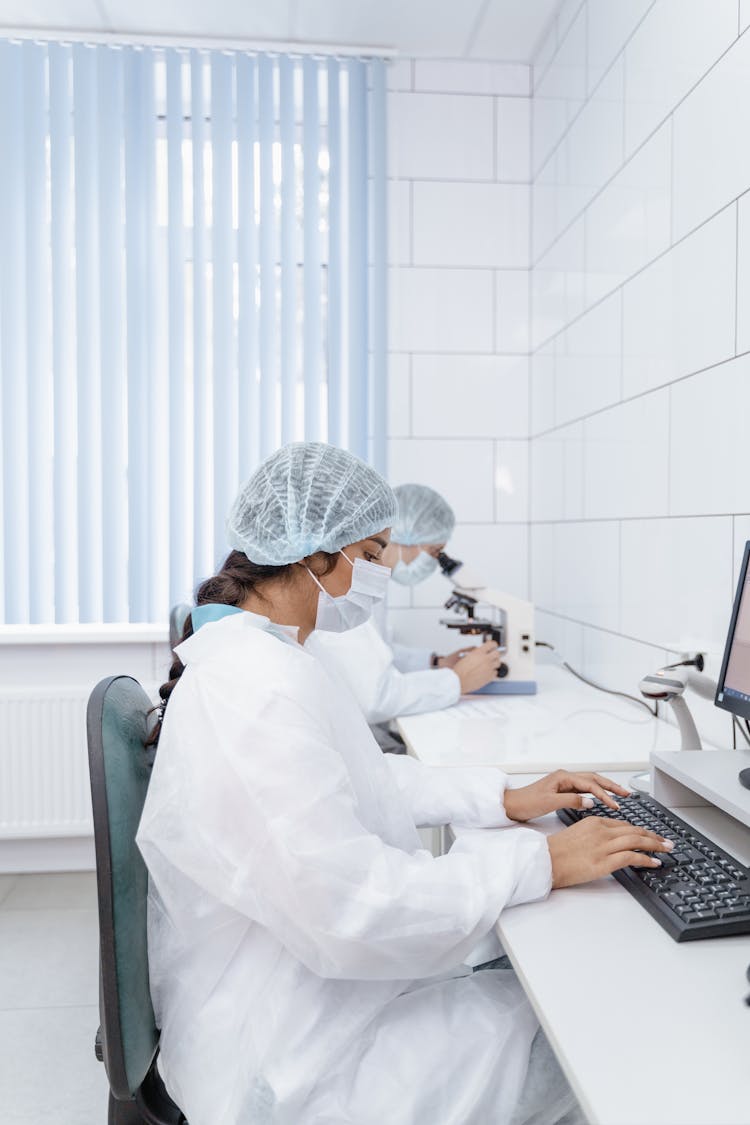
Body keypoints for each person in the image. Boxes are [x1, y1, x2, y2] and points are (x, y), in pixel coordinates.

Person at [136, 441, 673, 1125]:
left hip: (307, 1002)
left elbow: (355, 777)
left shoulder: (271, 657)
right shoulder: (256, 689)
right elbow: (353, 906)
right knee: (579, 1024)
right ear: (315, 553)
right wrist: (542, 859)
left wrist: (502, 798)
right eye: (375, 551)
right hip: (288, 1067)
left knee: (537, 979)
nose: (388, 569)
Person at [307, 482, 497, 725]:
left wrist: (436, 662)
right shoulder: (347, 590)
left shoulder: (372, 585)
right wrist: (456, 680)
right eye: (434, 551)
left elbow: (377, 652)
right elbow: (375, 698)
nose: (433, 562)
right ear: (404, 535)